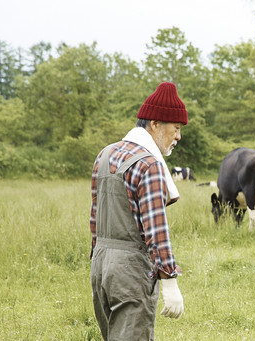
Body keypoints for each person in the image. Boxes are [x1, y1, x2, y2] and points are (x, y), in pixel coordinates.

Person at [90, 82, 187, 340]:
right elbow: (156, 228)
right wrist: (170, 280)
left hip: (100, 267)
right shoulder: (149, 164)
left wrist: (97, 260)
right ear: (155, 124)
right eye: (176, 128)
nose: (178, 136)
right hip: (130, 269)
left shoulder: (105, 154)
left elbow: (95, 218)